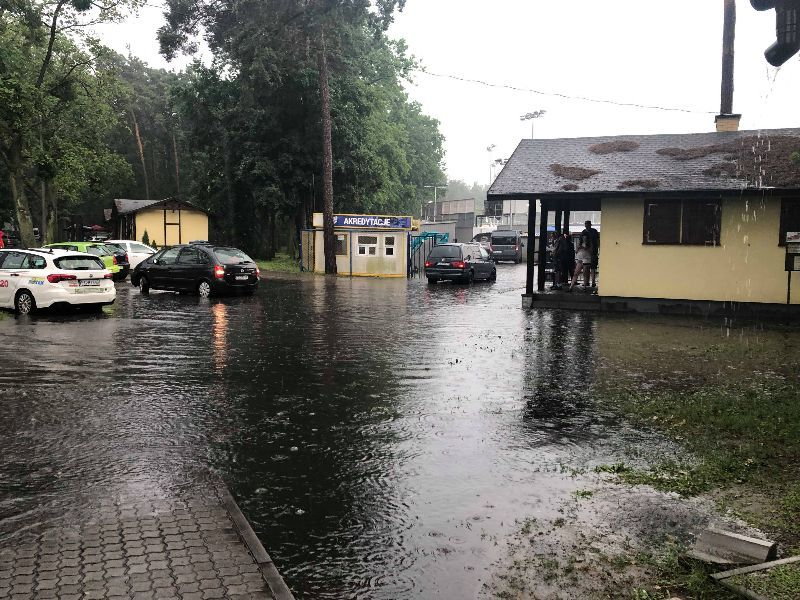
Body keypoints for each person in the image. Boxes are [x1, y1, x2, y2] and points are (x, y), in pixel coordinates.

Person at [581, 220, 600, 287]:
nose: (586, 225)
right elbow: (598, 241)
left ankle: (590, 282)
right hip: (589, 252)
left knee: (590, 267)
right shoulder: (593, 231)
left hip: (591, 252)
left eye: (587, 224)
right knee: (590, 267)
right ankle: (589, 282)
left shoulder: (590, 231)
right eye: (586, 224)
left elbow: (597, 241)